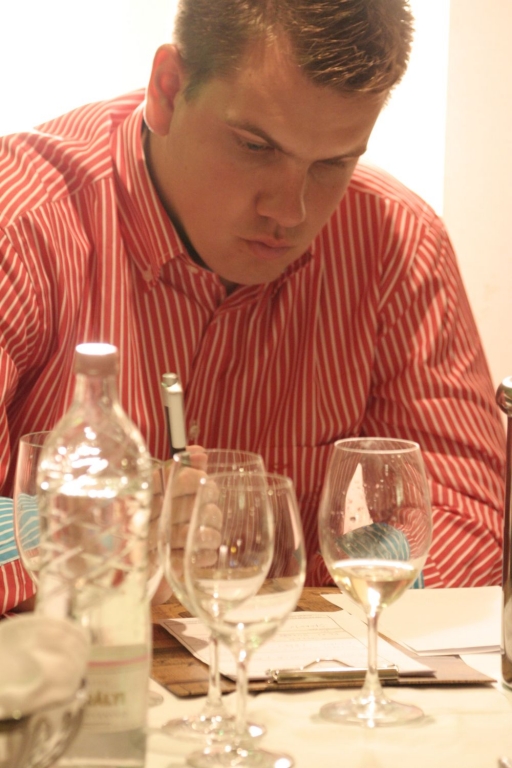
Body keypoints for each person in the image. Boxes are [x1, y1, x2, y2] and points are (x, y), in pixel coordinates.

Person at [0, 0, 505, 615]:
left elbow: (464, 517)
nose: (290, 211)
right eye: (254, 146)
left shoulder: (397, 243)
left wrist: (349, 569)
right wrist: (112, 538)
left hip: (294, 666)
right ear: (168, 89)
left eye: (333, 163)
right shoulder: (19, 224)